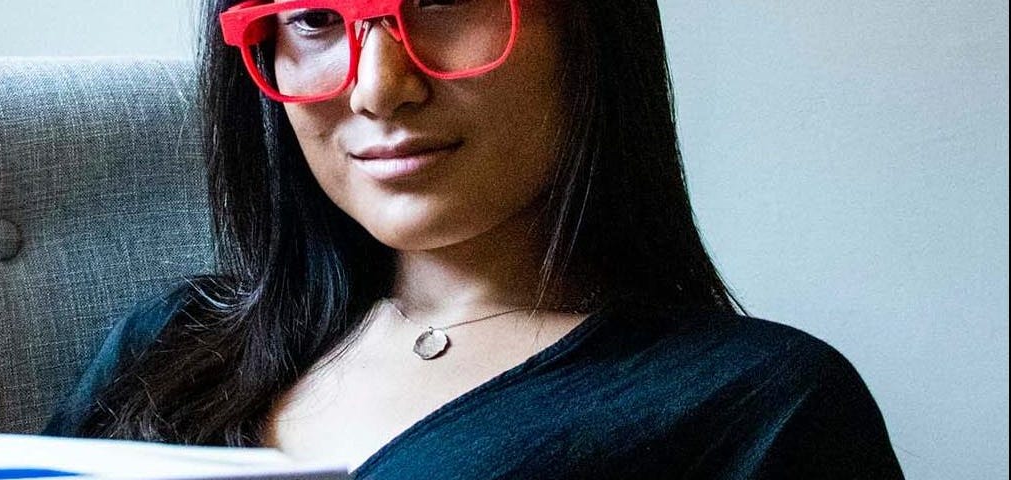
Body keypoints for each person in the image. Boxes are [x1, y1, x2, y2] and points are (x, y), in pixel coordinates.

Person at [44, 0, 905, 478]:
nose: (379, 86)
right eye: (313, 18)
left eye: (445, 0)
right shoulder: (171, 344)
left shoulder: (763, 404)